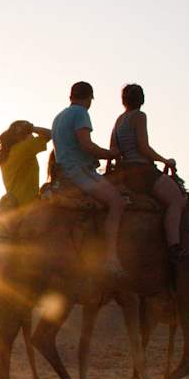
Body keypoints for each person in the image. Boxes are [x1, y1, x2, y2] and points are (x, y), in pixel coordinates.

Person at [51, 81, 125, 276]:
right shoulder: (80, 113)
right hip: (78, 171)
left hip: (63, 172)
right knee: (117, 202)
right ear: (89, 98)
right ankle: (111, 258)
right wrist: (111, 154)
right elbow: (86, 145)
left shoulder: (59, 117)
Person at [108, 84, 189, 259]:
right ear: (142, 99)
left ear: (124, 100)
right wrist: (165, 160)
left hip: (125, 172)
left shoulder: (119, 120)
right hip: (142, 172)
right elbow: (143, 147)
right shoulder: (139, 116)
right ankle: (174, 245)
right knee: (177, 199)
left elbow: (113, 149)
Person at [0, 120, 52, 209]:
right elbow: (50, 134)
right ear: (21, 136)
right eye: (29, 133)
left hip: (15, 206)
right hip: (28, 205)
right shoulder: (23, 149)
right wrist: (32, 128)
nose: (33, 135)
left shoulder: (8, 154)